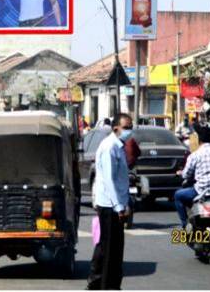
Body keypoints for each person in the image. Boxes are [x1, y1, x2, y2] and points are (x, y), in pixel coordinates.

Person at [87, 113, 132, 290]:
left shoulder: (118, 145)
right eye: (127, 127)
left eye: (131, 127)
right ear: (116, 129)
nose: (130, 131)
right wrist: (119, 207)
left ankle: (100, 284)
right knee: (110, 251)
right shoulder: (109, 147)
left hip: (115, 204)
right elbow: (108, 179)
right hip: (109, 206)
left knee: (111, 249)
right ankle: (107, 286)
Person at [174, 126, 210, 228]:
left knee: (178, 195)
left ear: (199, 140)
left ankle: (185, 224)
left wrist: (180, 173)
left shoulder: (195, 155)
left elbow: (186, 174)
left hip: (200, 191)